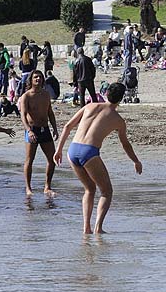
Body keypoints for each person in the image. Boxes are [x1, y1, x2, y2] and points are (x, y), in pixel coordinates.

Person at [53, 82, 142, 234]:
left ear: (106, 93)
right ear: (121, 99)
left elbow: (68, 126)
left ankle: (86, 228)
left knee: (89, 189)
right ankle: (97, 228)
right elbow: (125, 144)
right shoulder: (118, 120)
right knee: (107, 192)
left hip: (72, 150)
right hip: (89, 152)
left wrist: (59, 150)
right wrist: (136, 161)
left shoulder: (90, 106)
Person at [20, 70, 59, 196]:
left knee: (52, 159)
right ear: (31, 80)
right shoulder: (27, 96)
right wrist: (29, 130)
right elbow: (23, 115)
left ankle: (47, 186)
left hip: (45, 129)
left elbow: (50, 112)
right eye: (35, 77)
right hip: (32, 130)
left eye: (40, 77)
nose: (38, 79)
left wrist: (55, 128)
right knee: (29, 160)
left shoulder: (46, 94)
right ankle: (28, 188)